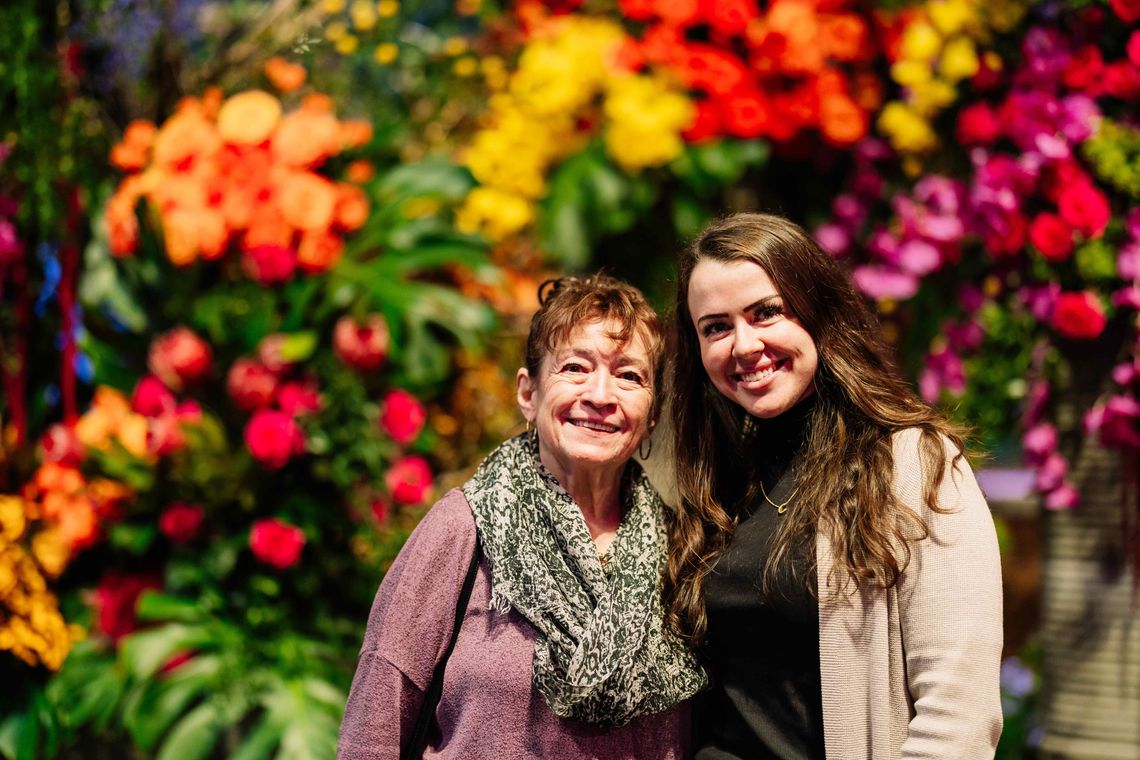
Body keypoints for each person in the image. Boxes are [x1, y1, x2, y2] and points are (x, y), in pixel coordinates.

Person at [664, 213, 1003, 759]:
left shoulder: (912, 463)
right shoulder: (720, 483)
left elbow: (959, 716)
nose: (744, 344)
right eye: (716, 327)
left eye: (766, 312)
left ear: (818, 312)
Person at [338, 275, 705, 759]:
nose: (600, 394)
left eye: (629, 376)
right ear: (528, 393)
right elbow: (376, 721)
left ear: (653, 412)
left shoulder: (681, 548)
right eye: (575, 368)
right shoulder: (464, 529)